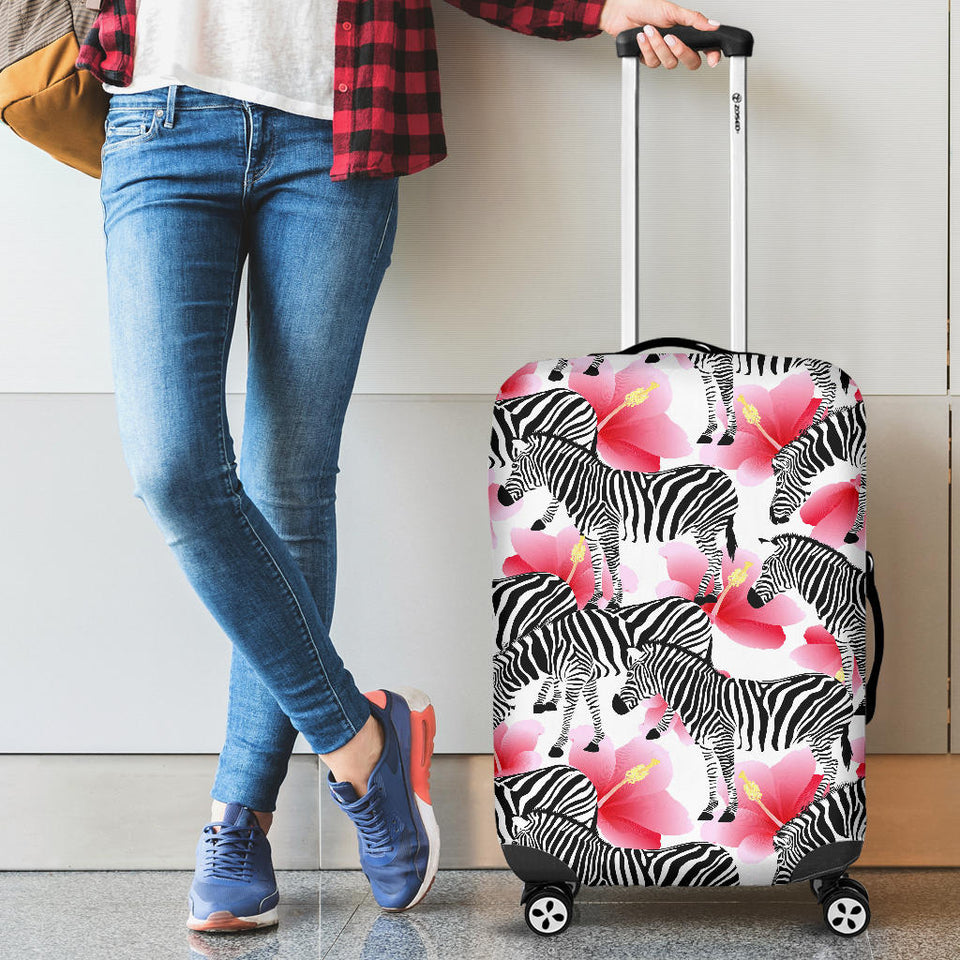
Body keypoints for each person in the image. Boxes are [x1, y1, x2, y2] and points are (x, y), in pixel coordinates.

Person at [78, 0, 722, 935]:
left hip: (336, 127)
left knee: (289, 481)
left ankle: (240, 818)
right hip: (159, 116)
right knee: (174, 469)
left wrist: (597, 7)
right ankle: (360, 737)